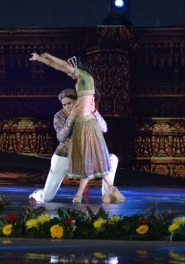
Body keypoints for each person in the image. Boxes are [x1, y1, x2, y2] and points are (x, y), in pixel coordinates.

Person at [29, 51, 124, 203]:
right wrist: (41, 59)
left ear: (76, 101)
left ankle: (108, 193)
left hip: (83, 154)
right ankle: (37, 196)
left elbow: (104, 128)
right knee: (47, 196)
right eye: (64, 104)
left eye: (69, 103)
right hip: (65, 157)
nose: (67, 106)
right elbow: (61, 137)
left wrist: (94, 112)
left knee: (111, 159)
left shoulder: (86, 108)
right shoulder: (59, 116)